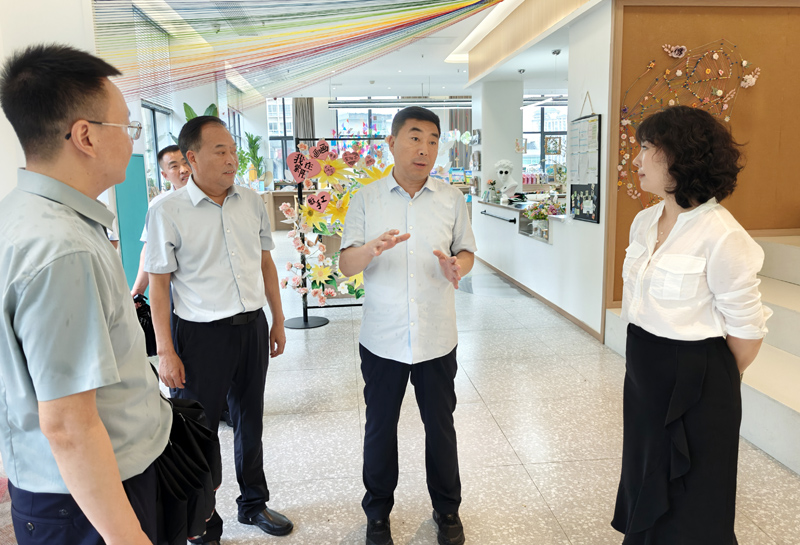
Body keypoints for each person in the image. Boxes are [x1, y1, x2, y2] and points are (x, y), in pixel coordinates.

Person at [0, 44, 172, 544]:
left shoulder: (21, 213)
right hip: (90, 498)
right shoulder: (61, 247)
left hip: (70, 485)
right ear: (86, 136)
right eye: (128, 127)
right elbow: (69, 426)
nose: (134, 140)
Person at [612, 105, 772, 544]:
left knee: (693, 497)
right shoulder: (645, 221)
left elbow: (747, 331)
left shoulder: (723, 234)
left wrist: (709, 381)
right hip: (644, 371)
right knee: (645, 472)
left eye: (647, 148)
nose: (636, 159)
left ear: (681, 157)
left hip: (698, 380)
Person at [145, 115, 291, 544]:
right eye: (220, 151)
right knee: (197, 433)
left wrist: (278, 319)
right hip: (199, 336)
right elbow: (159, 284)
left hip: (251, 328)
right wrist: (166, 351)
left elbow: (265, 262)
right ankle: (203, 522)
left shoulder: (251, 201)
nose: (232, 159)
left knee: (250, 420)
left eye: (233, 150)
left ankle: (254, 503)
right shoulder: (166, 210)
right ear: (191, 158)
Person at [339, 106, 477, 545]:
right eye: (415, 137)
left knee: (441, 428)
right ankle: (377, 514)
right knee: (380, 428)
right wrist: (371, 249)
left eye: (433, 140)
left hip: (437, 336)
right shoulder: (366, 198)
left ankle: (447, 510)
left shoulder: (452, 199)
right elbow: (345, 264)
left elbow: (466, 251)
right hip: (383, 338)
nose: (425, 149)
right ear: (392, 142)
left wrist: (458, 266)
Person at [130, 144, 191, 297]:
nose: (183, 170)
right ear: (165, 175)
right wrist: (138, 290)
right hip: (180, 290)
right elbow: (150, 249)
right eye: (174, 166)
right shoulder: (159, 206)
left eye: (186, 163)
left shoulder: (214, 197)